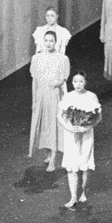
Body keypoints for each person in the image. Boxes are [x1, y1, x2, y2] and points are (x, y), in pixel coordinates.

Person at [57, 70, 100, 208]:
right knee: (71, 166)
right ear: (72, 83)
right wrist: (69, 127)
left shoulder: (91, 96)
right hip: (71, 134)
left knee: (85, 164)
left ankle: (83, 191)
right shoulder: (68, 96)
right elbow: (60, 116)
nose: (78, 84)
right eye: (75, 81)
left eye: (81, 81)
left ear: (85, 82)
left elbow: (98, 117)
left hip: (86, 134)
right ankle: (73, 196)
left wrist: (86, 127)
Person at [28, 31, 70, 170]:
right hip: (41, 96)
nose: (48, 43)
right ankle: (48, 153)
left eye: (51, 41)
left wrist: (55, 84)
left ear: (56, 42)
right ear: (43, 42)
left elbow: (63, 79)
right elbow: (34, 82)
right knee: (44, 125)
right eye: (46, 41)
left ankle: (53, 157)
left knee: (53, 126)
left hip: (54, 95)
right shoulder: (37, 58)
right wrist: (34, 101)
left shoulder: (62, 59)